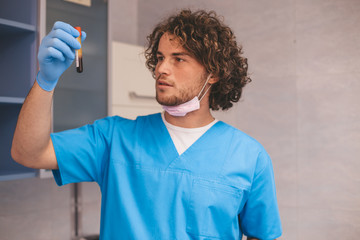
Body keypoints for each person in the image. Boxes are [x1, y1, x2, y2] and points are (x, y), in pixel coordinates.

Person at [12, 9, 282, 240]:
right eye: (161, 57)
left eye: (178, 59)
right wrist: (45, 81)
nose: (161, 69)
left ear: (212, 73)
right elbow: (29, 153)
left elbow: (261, 234)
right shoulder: (114, 138)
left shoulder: (250, 157)